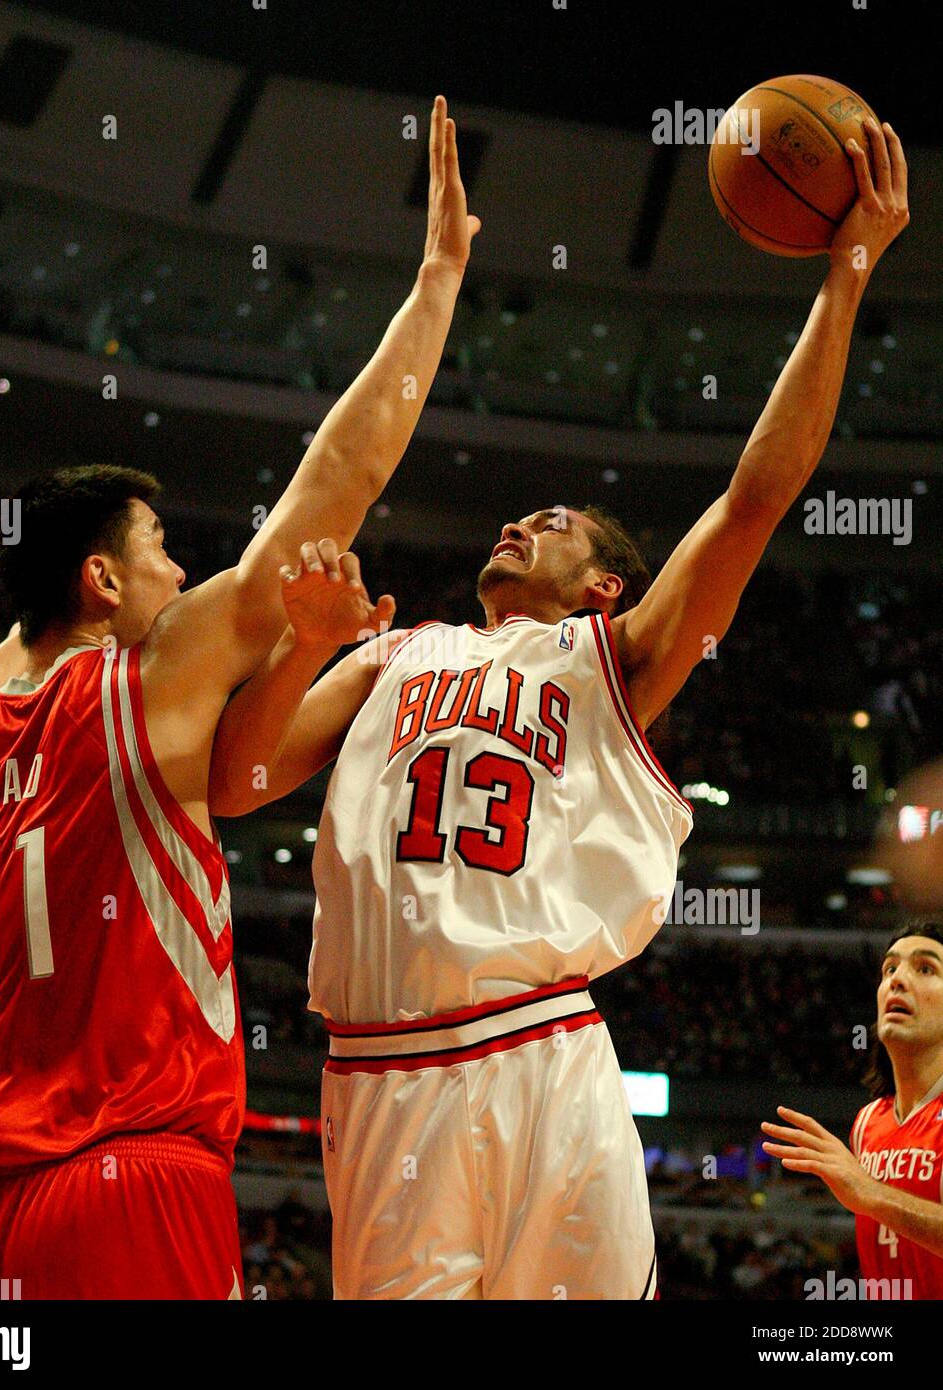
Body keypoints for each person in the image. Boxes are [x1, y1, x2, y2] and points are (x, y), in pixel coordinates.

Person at [209, 120, 910, 1298]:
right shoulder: (389, 649)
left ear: (602, 582)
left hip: (545, 1046)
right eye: (514, 516)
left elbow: (753, 497)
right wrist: (304, 651)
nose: (515, 522)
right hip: (385, 1073)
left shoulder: (615, 655)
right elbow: (238, 782)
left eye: (552, 522)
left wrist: (845, 273)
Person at [0, 93, 474, 1300]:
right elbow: (338, 480)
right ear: (102, 580)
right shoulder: (144, 682)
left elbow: (20, 637)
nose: (180, 569)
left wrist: (43, 583)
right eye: (159, 548)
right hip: (116, 1178)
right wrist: (433, 288)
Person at [763, 925, 943, 1300]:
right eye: (889, 970)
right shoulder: (867, 1123)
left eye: (925, 968)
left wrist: (869, 1192)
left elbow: (871, 1199)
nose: (897, 980)